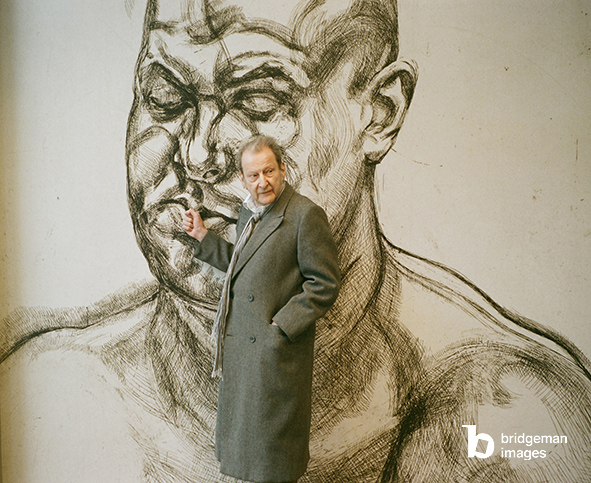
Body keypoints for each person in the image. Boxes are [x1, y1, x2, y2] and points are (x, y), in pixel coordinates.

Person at [1, 0, 590, 481]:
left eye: (257, 102)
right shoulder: (59, 397)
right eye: (166, 99)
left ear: (378, 114)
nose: (201, 153)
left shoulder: (503, 413)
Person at [182, 134, 340, 483]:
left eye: (268, 171)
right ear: (242, 179)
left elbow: (325, 283)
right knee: (250, 463)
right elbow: (245, 266)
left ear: (283, 169)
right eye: (253, 175)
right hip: (243, 355)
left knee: (273, 463)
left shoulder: (304, 215)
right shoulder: (249, 211)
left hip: (273, 358)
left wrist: (281, 328)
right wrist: (203, 238)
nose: (262, 182)